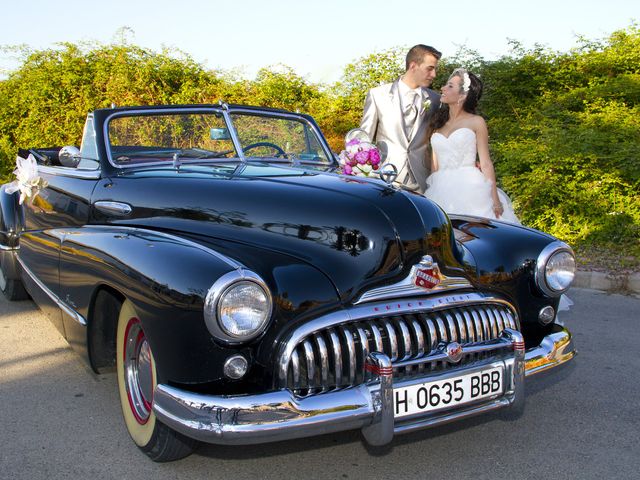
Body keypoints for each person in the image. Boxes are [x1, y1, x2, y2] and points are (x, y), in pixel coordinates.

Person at [424, 68, 519, 223]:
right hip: (440, 189)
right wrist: (431, 191)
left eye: (450, 86)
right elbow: (434, 166)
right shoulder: (437, 123)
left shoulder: (476, 122)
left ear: (462, 95)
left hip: (471, 188)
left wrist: (495, 199)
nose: (442, 88)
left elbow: (486, 163)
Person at [359, 44, 442, 193]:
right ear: (413, 66)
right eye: (430, 68)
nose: (434, 74)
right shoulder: (378, 95)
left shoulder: (436, 100)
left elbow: (442, 137)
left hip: (421, 180)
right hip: (384, 176)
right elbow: (363, 139)